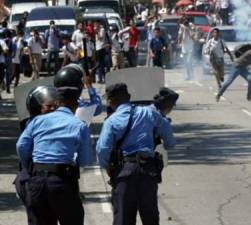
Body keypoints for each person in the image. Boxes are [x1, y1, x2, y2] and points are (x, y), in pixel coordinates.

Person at [16, 66, 93, 225]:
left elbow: (21, 146)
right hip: (62, 182)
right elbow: (85, 160)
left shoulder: (37, 120)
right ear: (76, 101)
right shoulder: (79, 125)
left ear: (57, 100)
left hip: (36, 181)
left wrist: (30, 168)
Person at [96, 83, 176, 225]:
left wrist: (107, 167)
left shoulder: (111, 121)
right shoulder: (148, 113)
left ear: (111, 102)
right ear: (128, 97)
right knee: (150, 217)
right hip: (148, 171)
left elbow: (102, 149)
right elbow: (168, 136)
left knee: (123, 219)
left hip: (124, 172)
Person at [14, 86, 58, 225]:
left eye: (54, 106)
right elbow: (21, 147)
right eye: (48, 106)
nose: (52, 109)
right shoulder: (32, 123)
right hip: (35, 177)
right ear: (37, 107)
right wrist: (28, 168)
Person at [0, 28, 8, 100]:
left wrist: (2, 51)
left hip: (1, 62)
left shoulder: (1, 41)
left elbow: (6, 49)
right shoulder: (2, 41)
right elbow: (6, 50)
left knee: (1, 77)